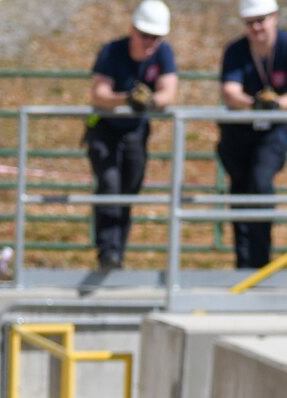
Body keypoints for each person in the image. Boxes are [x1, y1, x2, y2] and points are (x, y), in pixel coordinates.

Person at [218, 0, 287, 268]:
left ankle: (260, 263)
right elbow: (230, 90)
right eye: (250, 22)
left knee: (261, 183)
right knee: (240, 191)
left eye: (261, 20)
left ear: (275, 17)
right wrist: (253, 104)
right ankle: (243, 263)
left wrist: (276, 105)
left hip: (274, 129)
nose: (256, 27)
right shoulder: (236, 50)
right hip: (239, 131)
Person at [87, 0, 180, 269]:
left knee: (129, 189)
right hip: (104, 129)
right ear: (132, 30)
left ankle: (118, 251)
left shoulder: (163, 54)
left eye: (156, 37)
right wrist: (126, 99)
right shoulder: (111, 51)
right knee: (109, 184)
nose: (150, 42)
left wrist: (148, 102)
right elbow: (98, 93)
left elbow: (168, 92)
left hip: (135, 132)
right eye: (145, 36)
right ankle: (107, 251)